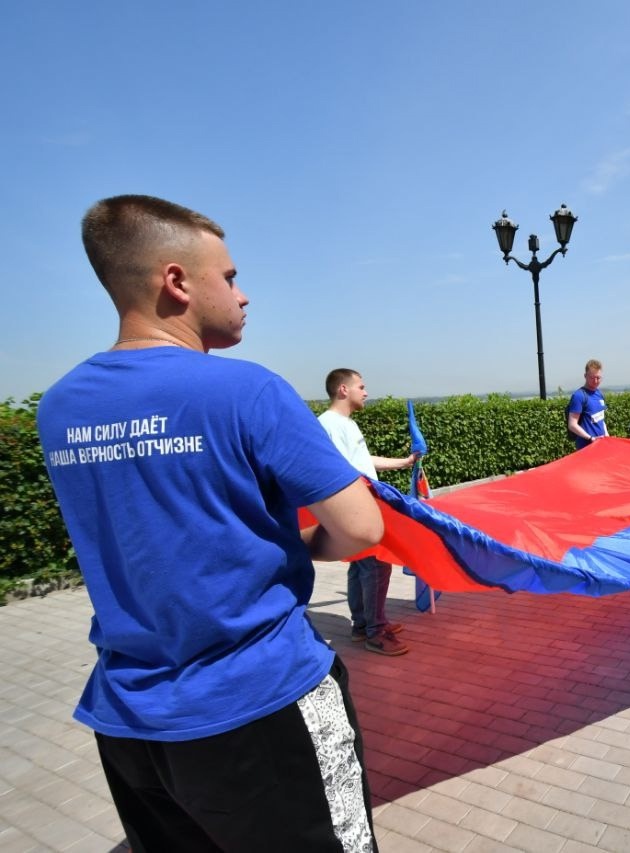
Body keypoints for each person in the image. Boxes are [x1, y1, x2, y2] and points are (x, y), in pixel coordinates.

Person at [36, 195, 385, 850]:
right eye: (228, 276)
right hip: (262, 702)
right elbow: (362, 527)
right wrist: (305, 542)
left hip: (130, 716)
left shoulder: (59, 407)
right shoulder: (247, 390)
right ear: (176, 281)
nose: (242, 294)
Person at [319, 369, 418, 656]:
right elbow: (341, 469)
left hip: (359, 504)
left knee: (361, 566)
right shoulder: (329, 424)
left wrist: (404, 462)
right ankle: (376, 632)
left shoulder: (345, 424)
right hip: (354, 507)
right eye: (360, 387)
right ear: (343, 389)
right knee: (377, 564)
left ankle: (362, 625)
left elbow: (361, 461)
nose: (366, 392)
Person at [567, 359, 608, 449]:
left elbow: (601, 420)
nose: (595, 381)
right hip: (586, 447)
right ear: (585, 376)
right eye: (592, 378)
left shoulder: (600, 394)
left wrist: (607, 436)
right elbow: (572, 425)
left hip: (601, 445)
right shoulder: (579, 396)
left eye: (598, 378)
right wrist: (591, 438)